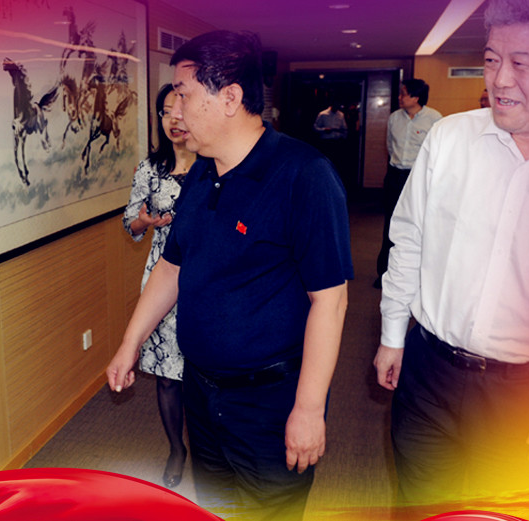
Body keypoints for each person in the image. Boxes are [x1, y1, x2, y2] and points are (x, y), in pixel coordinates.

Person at [374, 0, 529, 511]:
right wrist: (393, 334)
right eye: (490, 60)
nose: (500, 80)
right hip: (429, 371)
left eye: (521, 63)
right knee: (419, 507)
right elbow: (410, 238)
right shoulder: (450, 139)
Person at [107, 30, 352, 520]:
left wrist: (308, 410)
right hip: (202, 390)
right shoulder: (201, 171)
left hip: (269, 401)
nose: (175, 110)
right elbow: (172, 265)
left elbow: (331, 300)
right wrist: (130, 342)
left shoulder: (303, 175)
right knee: (217, 509)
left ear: (230, 98)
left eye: (183, 94)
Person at [121, 83, 195, 489]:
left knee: (204, 371)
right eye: (165, 112)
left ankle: (209, 445)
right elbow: (130, 224)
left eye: (179, 110)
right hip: (161, 279)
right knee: (167, 374)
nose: (173, 119)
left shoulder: (214, 164)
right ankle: (176, 449)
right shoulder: (150, 169)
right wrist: (145, 222)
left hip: (206, 277)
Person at [373, 79, 442, 288]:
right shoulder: (394, 118)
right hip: (395, 175)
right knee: (391, 224)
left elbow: (438, 152)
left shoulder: (435, 119)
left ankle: (418, 275)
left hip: (418, 177)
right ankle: (384, 273)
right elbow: (389, 145)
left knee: (418, 225)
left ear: (416, 97)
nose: (400, 97)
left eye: (404, 93)